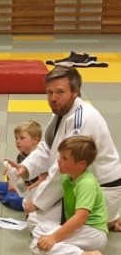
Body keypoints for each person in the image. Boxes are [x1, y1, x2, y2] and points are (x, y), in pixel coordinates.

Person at [13, 66, 121, 231]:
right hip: (77, 183)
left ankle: (107, 219)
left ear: (75, 91)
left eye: (60, 92)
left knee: (36, 221)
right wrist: (26, 167)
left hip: (99, 190)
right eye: (49, 92)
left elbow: (65, 167)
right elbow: (48, 147)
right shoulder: (62, 111)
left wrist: (38, 203)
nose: (53, 98)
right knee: (29, 202)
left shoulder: (82, 120)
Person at [30, 136, 118, 255]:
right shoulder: (68, 177)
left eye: (65, 158)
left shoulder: (86, 183)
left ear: (81, 164)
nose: (59, 160)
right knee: (39, 229)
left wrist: (54, 238)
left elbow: (80, 218)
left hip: (93, 234)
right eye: (60, 156)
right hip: (81, 230)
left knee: (37, 247)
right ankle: (73, 250)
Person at [0, 120, 44, 211]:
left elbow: (42, 182)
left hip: (34, 190)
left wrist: (27, 189)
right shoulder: (21, 155)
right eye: (16, 138)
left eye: (22, 138)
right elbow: (16, 175)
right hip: (21, 186)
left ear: (35, 140)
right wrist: (11, 182)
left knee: (17, 201)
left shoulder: (41, 158)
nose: (18, 141)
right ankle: (9, 196)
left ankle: (4, 198)